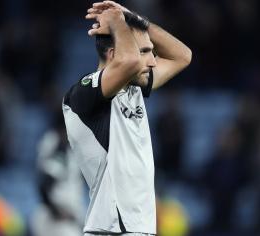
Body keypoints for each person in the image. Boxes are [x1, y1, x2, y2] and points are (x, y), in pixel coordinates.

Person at [62, 1, 191, 235]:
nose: (152, 61)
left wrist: (135, 19)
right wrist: (118, 21)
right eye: (144, 52)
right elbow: (129, 62)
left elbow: (182, 56)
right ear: (114, 54)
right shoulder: (82, 95)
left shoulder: (134, 89)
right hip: (112, 228)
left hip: (136, 228)